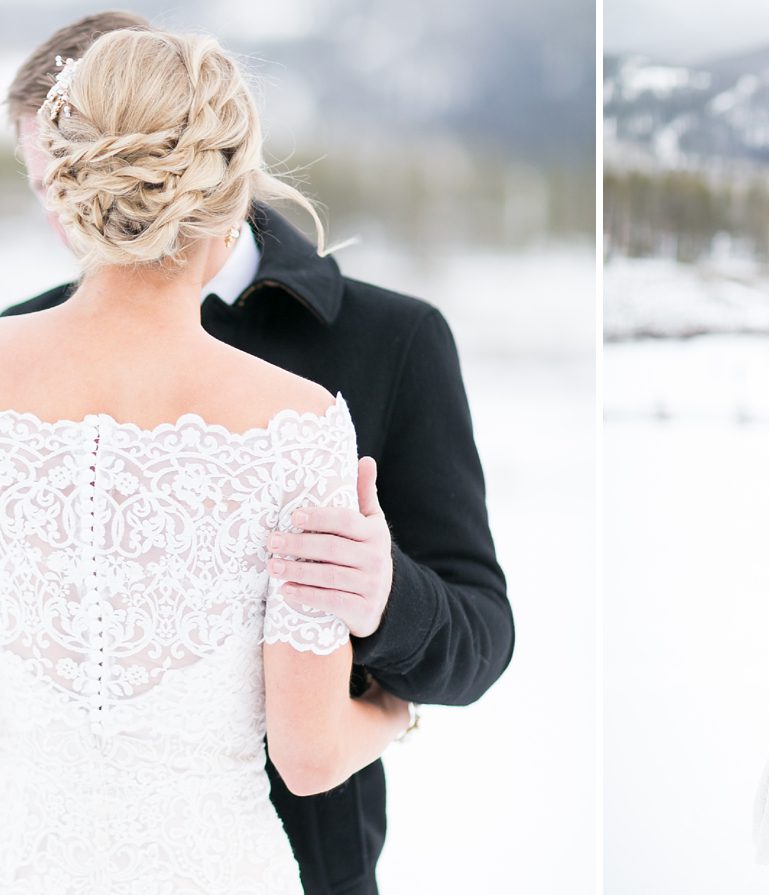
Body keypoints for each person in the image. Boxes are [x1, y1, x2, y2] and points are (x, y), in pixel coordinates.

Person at [4, 13, 514, 894]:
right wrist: (389, 714)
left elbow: (484, 634)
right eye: (45, 182)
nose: (59, 208)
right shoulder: (300, 423)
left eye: (63, 177)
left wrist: (388, 594)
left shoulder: (392, 341)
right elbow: (313, 749)